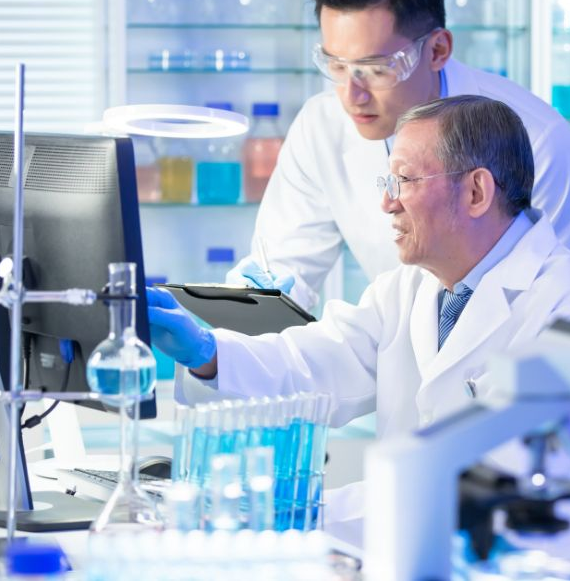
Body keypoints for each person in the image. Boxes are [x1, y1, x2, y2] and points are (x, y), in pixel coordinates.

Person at [148, 95, 570, 546]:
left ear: (476, 192)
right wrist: (209, 354)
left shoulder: (556, 304)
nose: (388, 203)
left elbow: (488, 479)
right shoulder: (410, 287)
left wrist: (294, 518)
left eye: (405, 180)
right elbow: (317, 361)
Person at [225, 0, 570, 311]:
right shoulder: (321, 125)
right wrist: (241, 321)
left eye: (376, 69)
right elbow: (281, 272)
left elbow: (551, 309)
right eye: (337, 67)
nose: (351, 95)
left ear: (437, 50)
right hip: (390, 354)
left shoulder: (538, 141)